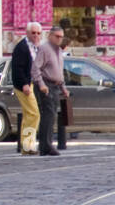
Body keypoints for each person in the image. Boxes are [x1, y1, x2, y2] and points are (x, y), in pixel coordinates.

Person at [32, 25, 70, 156]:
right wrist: (42, 85)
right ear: (50, 36)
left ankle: (47, 145)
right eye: (57, 36)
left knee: (51, 116)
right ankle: (45, 146)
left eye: (61, 37)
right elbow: (36, 68)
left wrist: (63, 88)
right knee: (48, 116)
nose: (59, 39)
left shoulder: (58, 51)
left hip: (55, 86)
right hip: (46, 85)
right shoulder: (45, 49)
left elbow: (59, 72)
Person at [10, 22, 43, 155]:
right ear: (27, 33)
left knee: (28, 115)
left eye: (38, 33)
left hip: (31, 83)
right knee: (34, 114)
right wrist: (24, 84)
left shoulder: (35, 46)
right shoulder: (22, 47)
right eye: (33, 33)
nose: (36, 35)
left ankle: (26, 146)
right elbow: (17, 68)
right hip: (24, 85)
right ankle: (28, 145)